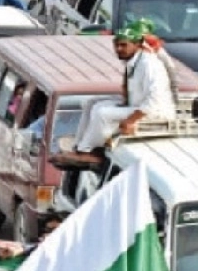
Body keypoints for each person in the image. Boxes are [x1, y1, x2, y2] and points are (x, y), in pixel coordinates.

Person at [55, 21, 177, 166]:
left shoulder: (149, 64)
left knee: (103, 113)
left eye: (124, 45)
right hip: (136, 104)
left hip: (155, 111)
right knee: (91, 103)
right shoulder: (133, 59)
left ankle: (88, 151)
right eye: (117, 45)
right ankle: (78, 146)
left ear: (137, 44)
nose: (119, 49)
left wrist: (131, 120)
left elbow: (153, 100)